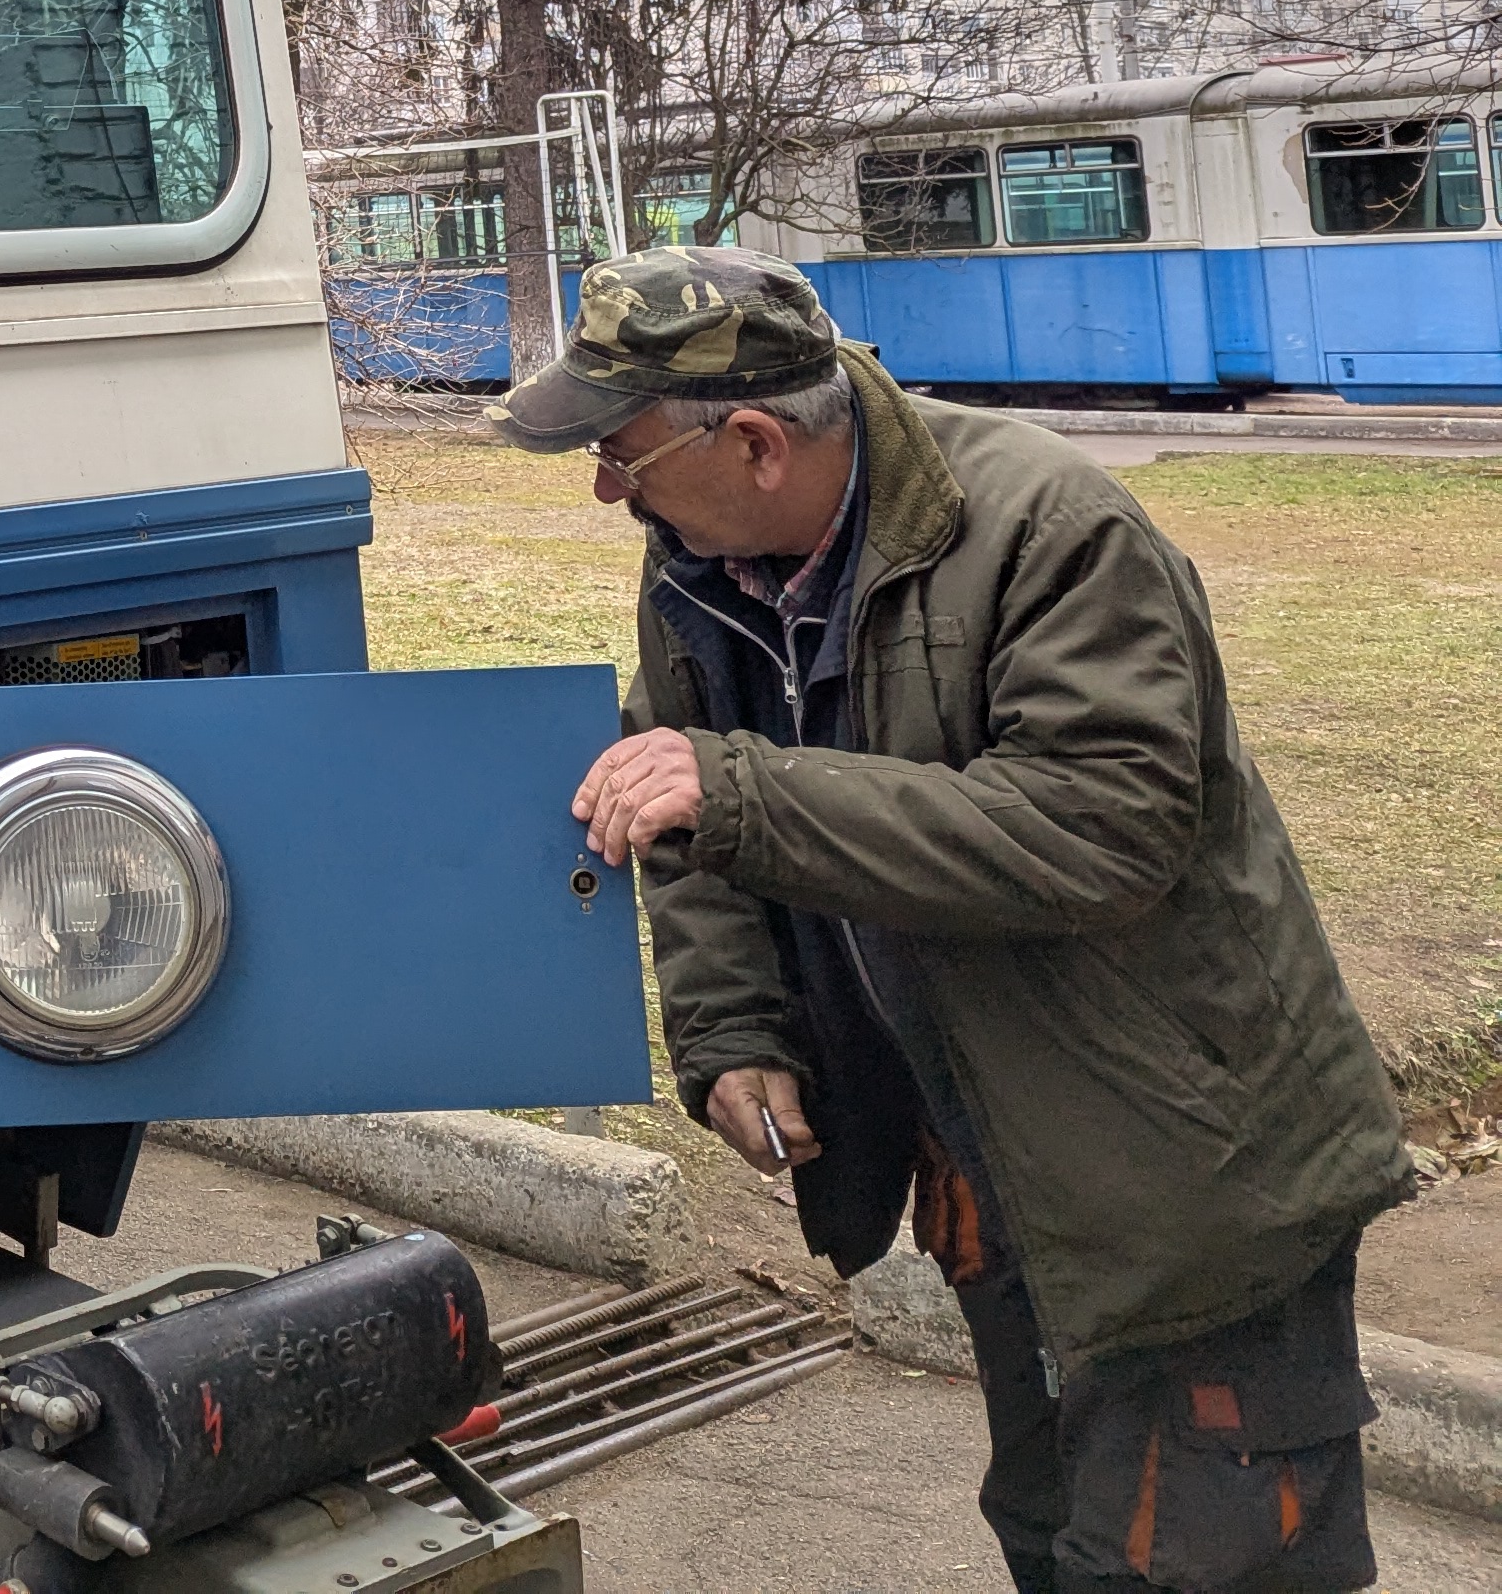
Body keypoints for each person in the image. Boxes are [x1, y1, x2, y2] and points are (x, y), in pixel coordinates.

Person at [519, 246, 1410, 1594]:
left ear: (753, 440)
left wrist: (744, 789)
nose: (601, 489)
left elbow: (1101, 830)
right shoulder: (700, 560)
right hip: (990, 1163)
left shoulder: (1054, 530)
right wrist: (737, 1031)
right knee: (1053, 1534)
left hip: (1184, 1178)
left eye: (619, 455)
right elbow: (683, 813)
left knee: (1201, 1566)